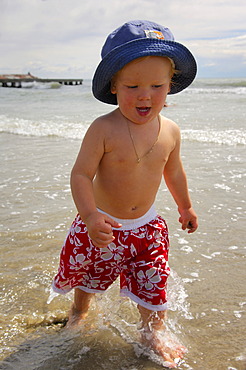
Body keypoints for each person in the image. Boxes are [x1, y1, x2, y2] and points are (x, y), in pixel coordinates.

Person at [52, 20, 198, 368]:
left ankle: (153, 331)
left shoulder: (171, 131)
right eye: (132, 85)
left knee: (152, 283)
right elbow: (81, 174)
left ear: (171, 85)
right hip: (101, 226)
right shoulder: (103, 129)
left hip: (147, 229)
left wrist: (186, 206)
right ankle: (78, 311)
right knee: (89, 278)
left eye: (157, 85)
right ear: (114, 85)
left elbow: (173, 171)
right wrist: (89, 216)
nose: (145, 94)